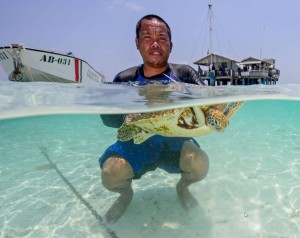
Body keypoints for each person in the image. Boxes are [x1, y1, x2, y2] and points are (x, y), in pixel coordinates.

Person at [99, 14, 226, 224]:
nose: (155, 43)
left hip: (174, 142)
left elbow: (212, 100)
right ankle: (125, 194)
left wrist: (217, 114)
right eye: (147, 37)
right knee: (111, 173)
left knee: (200, 163)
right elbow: (107, 119)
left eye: (162, 37)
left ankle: (183, 188)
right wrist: (125, 116)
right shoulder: (124, 79)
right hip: (136, 143)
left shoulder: (184, 74)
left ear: (171, 44)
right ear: (137, 43)